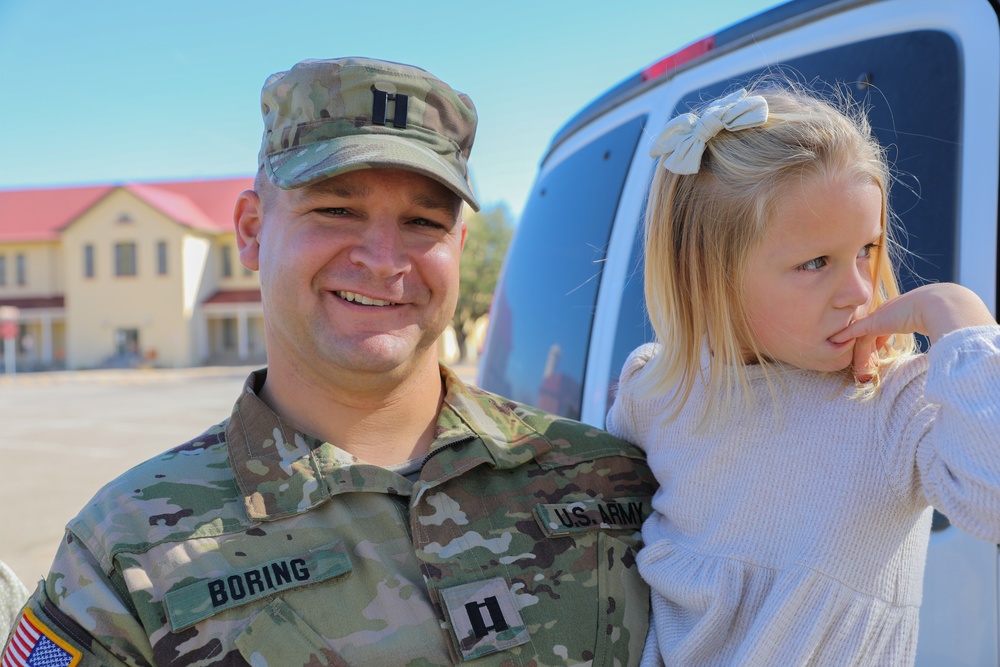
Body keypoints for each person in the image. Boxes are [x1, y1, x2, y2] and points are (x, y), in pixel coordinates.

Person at [2, 58, 656, 666]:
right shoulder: (127, 552)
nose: (382, 258)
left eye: (423, 221)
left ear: (458, 244)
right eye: (337, 209)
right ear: (252, 231)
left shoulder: (613, 480)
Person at [606, 84, 1000, 666]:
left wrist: (959, 316)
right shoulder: (656, 391)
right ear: (707, 275)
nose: (860, 291)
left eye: (867, 248)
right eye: (815, 263)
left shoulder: (895, 401)